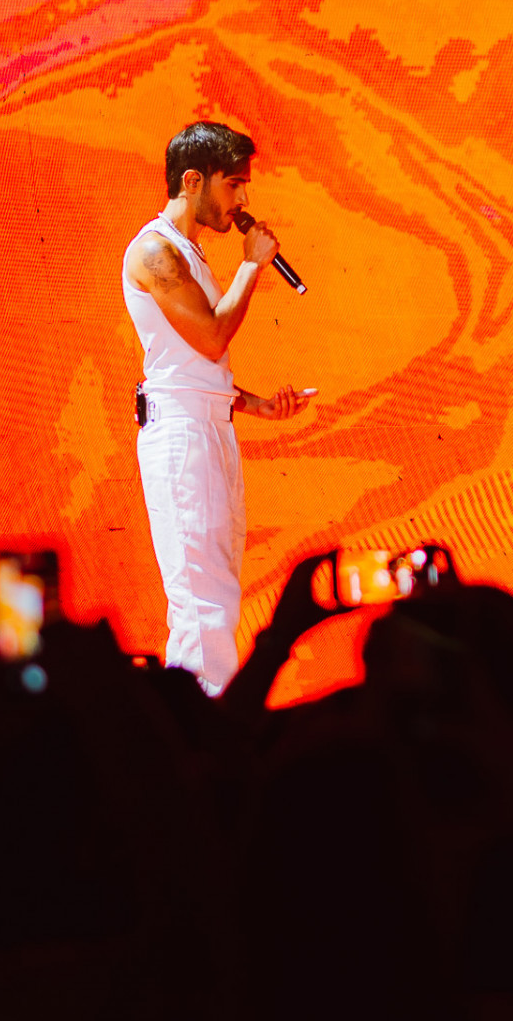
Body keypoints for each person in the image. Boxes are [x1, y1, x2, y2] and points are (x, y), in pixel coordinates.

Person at [121, 122, 313, 694]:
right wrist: (252, 265)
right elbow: (210, 339)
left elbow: (193, 368)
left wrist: (257, 405)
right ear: (192, 181)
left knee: (218, 594)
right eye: (234, 184)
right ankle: (204, 728)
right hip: (182, 437)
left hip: (208, 428)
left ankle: (207, 719)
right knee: (202, 603)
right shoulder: (155, 251)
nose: (243, 199)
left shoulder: (189, 254)